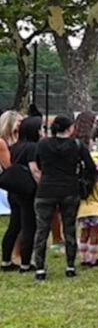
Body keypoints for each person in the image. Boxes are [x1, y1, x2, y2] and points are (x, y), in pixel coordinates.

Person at [30, 115, 96, 281]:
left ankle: (40, 268)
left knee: (42, 230)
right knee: (70, 229)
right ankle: (70, 266)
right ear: (69, 128)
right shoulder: (76, 145)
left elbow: (37, 163)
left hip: (46, 189)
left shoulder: (43, 144)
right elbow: (91, 167)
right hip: (69, 189)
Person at [0, 111, 32, 272]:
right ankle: (9, 258)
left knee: (17, 223)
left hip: (18, 185)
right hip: (15, 185)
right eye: (19, 121)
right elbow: (9, 167)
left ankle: (13, 256)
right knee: (17, 224)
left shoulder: (19, 141)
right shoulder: (3, 143)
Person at [75, 157, 98, 267]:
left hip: (82, 210)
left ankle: (83, 258)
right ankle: (93, 260)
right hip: (97, 210)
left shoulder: (80, 181)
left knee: (84, 234)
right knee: (94, 234)